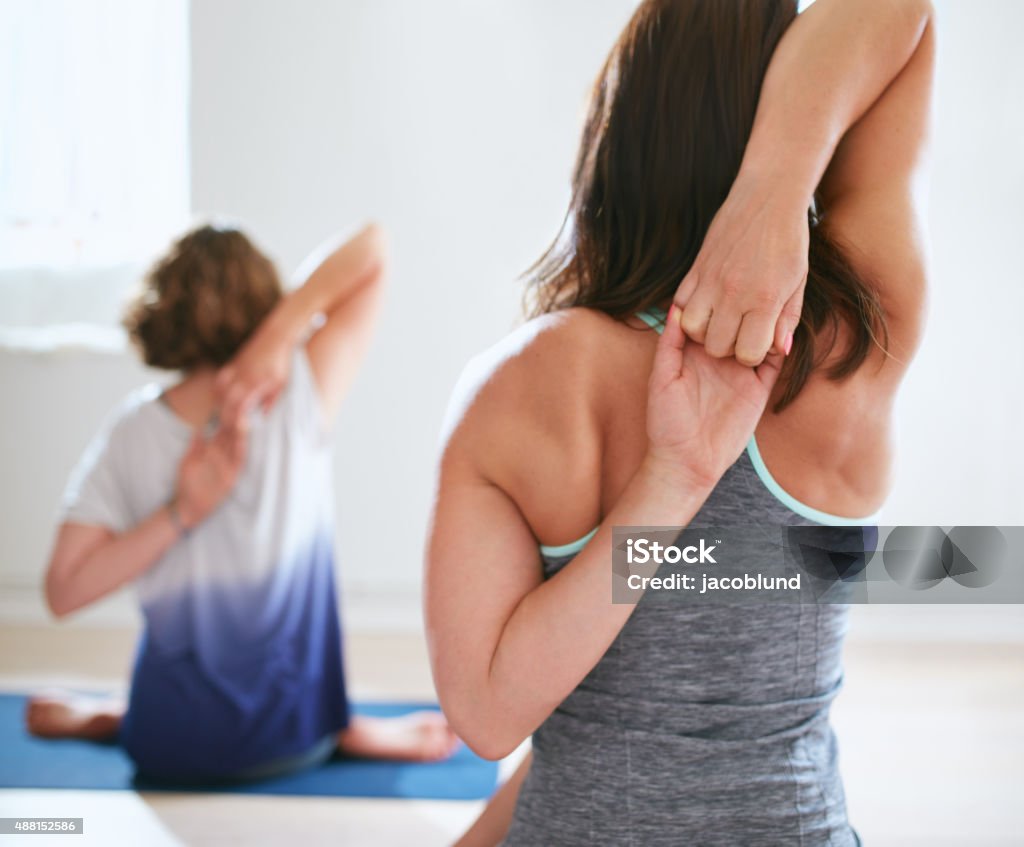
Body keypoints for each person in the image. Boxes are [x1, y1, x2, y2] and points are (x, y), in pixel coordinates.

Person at [428, 0, 934, 843]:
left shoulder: (517, 385)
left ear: (617, 131)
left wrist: (670, 490)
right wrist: (775, 191)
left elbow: (496, 718)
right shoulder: (857, 343)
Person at [27, 222, 458, 781]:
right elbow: (374, 246)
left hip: (164, 744)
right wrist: (282, 336)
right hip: (294, 739)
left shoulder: (130, 430)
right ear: (265, 304)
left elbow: (63, 593)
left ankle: (115, 716)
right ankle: (342, 727)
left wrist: (176, 517)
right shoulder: (299, 389)